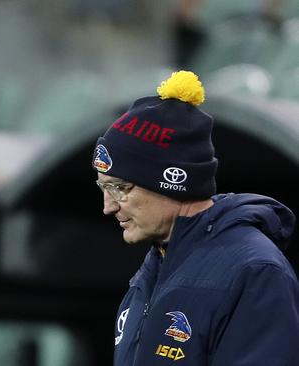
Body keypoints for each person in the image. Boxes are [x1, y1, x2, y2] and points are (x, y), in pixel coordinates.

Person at [91, 71, 299, 365]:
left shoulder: (255, 271)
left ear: (172, 181)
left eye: (121, 188)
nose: (108, 206)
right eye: (103, 187)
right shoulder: (155, 266)